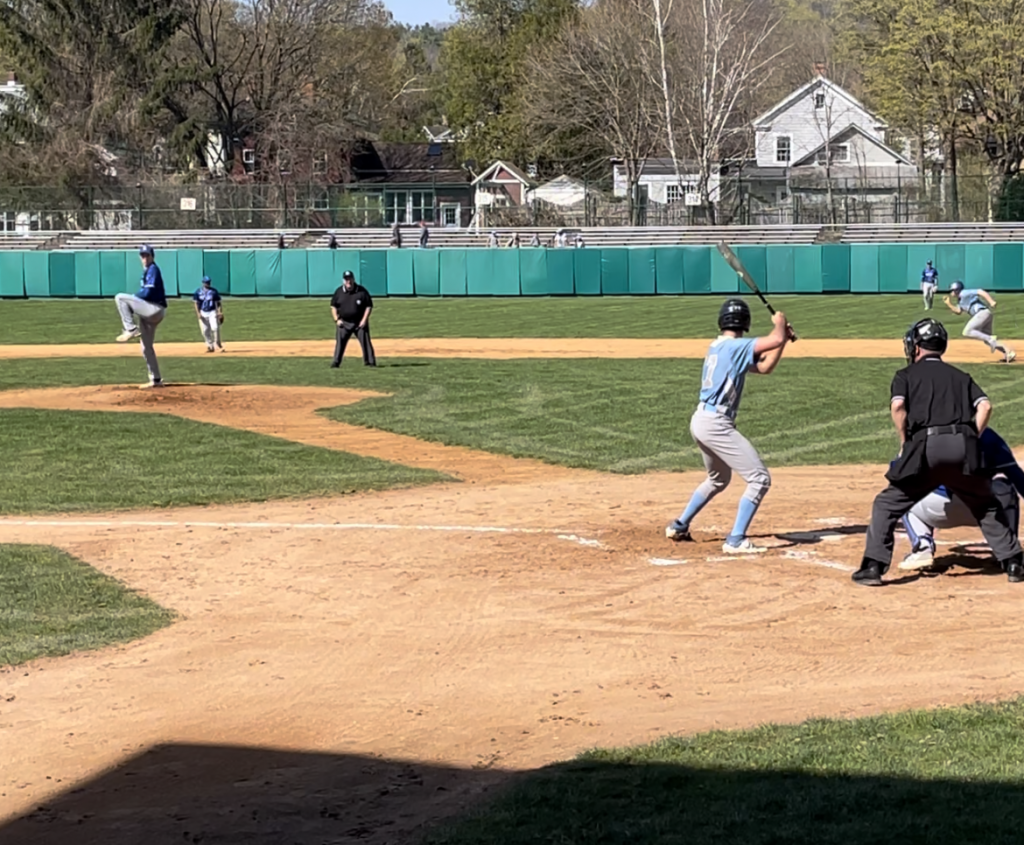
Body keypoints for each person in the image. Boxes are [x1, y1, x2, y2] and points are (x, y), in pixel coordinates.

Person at [853, 318, 1023, 586]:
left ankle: (873, 567)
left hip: (925, 447)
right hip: (963, 447)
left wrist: (905, 440)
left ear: (916, 347)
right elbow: (985, 406)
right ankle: (1013, 563)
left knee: (887, 503)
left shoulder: (905, 375)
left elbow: (898, 408)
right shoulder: (961, 376)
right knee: (986, 505)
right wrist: (971, 436)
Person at [665, 300, 794, 553]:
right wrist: (780, 325)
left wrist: (784, 340)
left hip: (702, 420)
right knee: (759, 479)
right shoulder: (736, 347)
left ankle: (680, 525)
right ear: (745, 322)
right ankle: (736, 539)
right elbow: (774, 339)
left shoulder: (720, 347)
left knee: (718, 479)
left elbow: (765, 366)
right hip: (715, 424)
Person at [898, 427, 1024, 570]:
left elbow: (898, 476)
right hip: (987, 511)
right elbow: (1017, 478)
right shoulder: (988, 436)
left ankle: (922, 547)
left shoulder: (921, 435)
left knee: (903, 493)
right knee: (1004, 487)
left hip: (939, 511)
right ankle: (1007, 552)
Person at [115, 244, 167, 388]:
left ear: (152, 256)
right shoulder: (147, 271)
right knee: (146, 347)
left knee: (120, 298)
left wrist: (134, 299)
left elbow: (148, 293)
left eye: (147, 255)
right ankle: (156, 379)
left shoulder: (153, 270)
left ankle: (130, 329)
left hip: (154, 309)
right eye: (142, 256)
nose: (145, 258)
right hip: (149, 311)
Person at [944, 280, 1015, 362]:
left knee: (967, 331)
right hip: (985, 315)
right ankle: (1008, 352)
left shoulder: (964, 293)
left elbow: (980, 291)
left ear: (957, 289)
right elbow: (958, 311)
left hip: (982, 313)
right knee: (987, 341)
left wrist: (991, 301)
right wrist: (949, 304)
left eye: (952, 290)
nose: (951, 292)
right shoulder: (960, 300)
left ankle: (991, 338)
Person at [330, 270, 376, 368]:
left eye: (350, 279)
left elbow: (368, 306)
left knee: (366, 342)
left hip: (359, 322)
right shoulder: (339, 292)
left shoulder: (361, 291)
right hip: (344, 322)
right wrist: (336, 319)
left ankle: (370, 362)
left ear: (353, 279)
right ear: (343, 281)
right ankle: (336, 362)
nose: (348, 282)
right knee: (340, 343)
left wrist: (364, 320)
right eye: (346, 280)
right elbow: (333, 306)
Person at [192, 275, 225, 353]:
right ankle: (210, 346)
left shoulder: (214, 291)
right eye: (206, 282)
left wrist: (220, 312)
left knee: (215, 328)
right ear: (203, 283)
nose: (208, 284)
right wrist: (198, 313)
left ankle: (218, 345)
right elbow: (196, 303)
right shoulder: (198, 292)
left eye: (209, 282)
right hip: (203, 312)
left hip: (212, 311)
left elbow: (218, 303)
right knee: (205, 331)